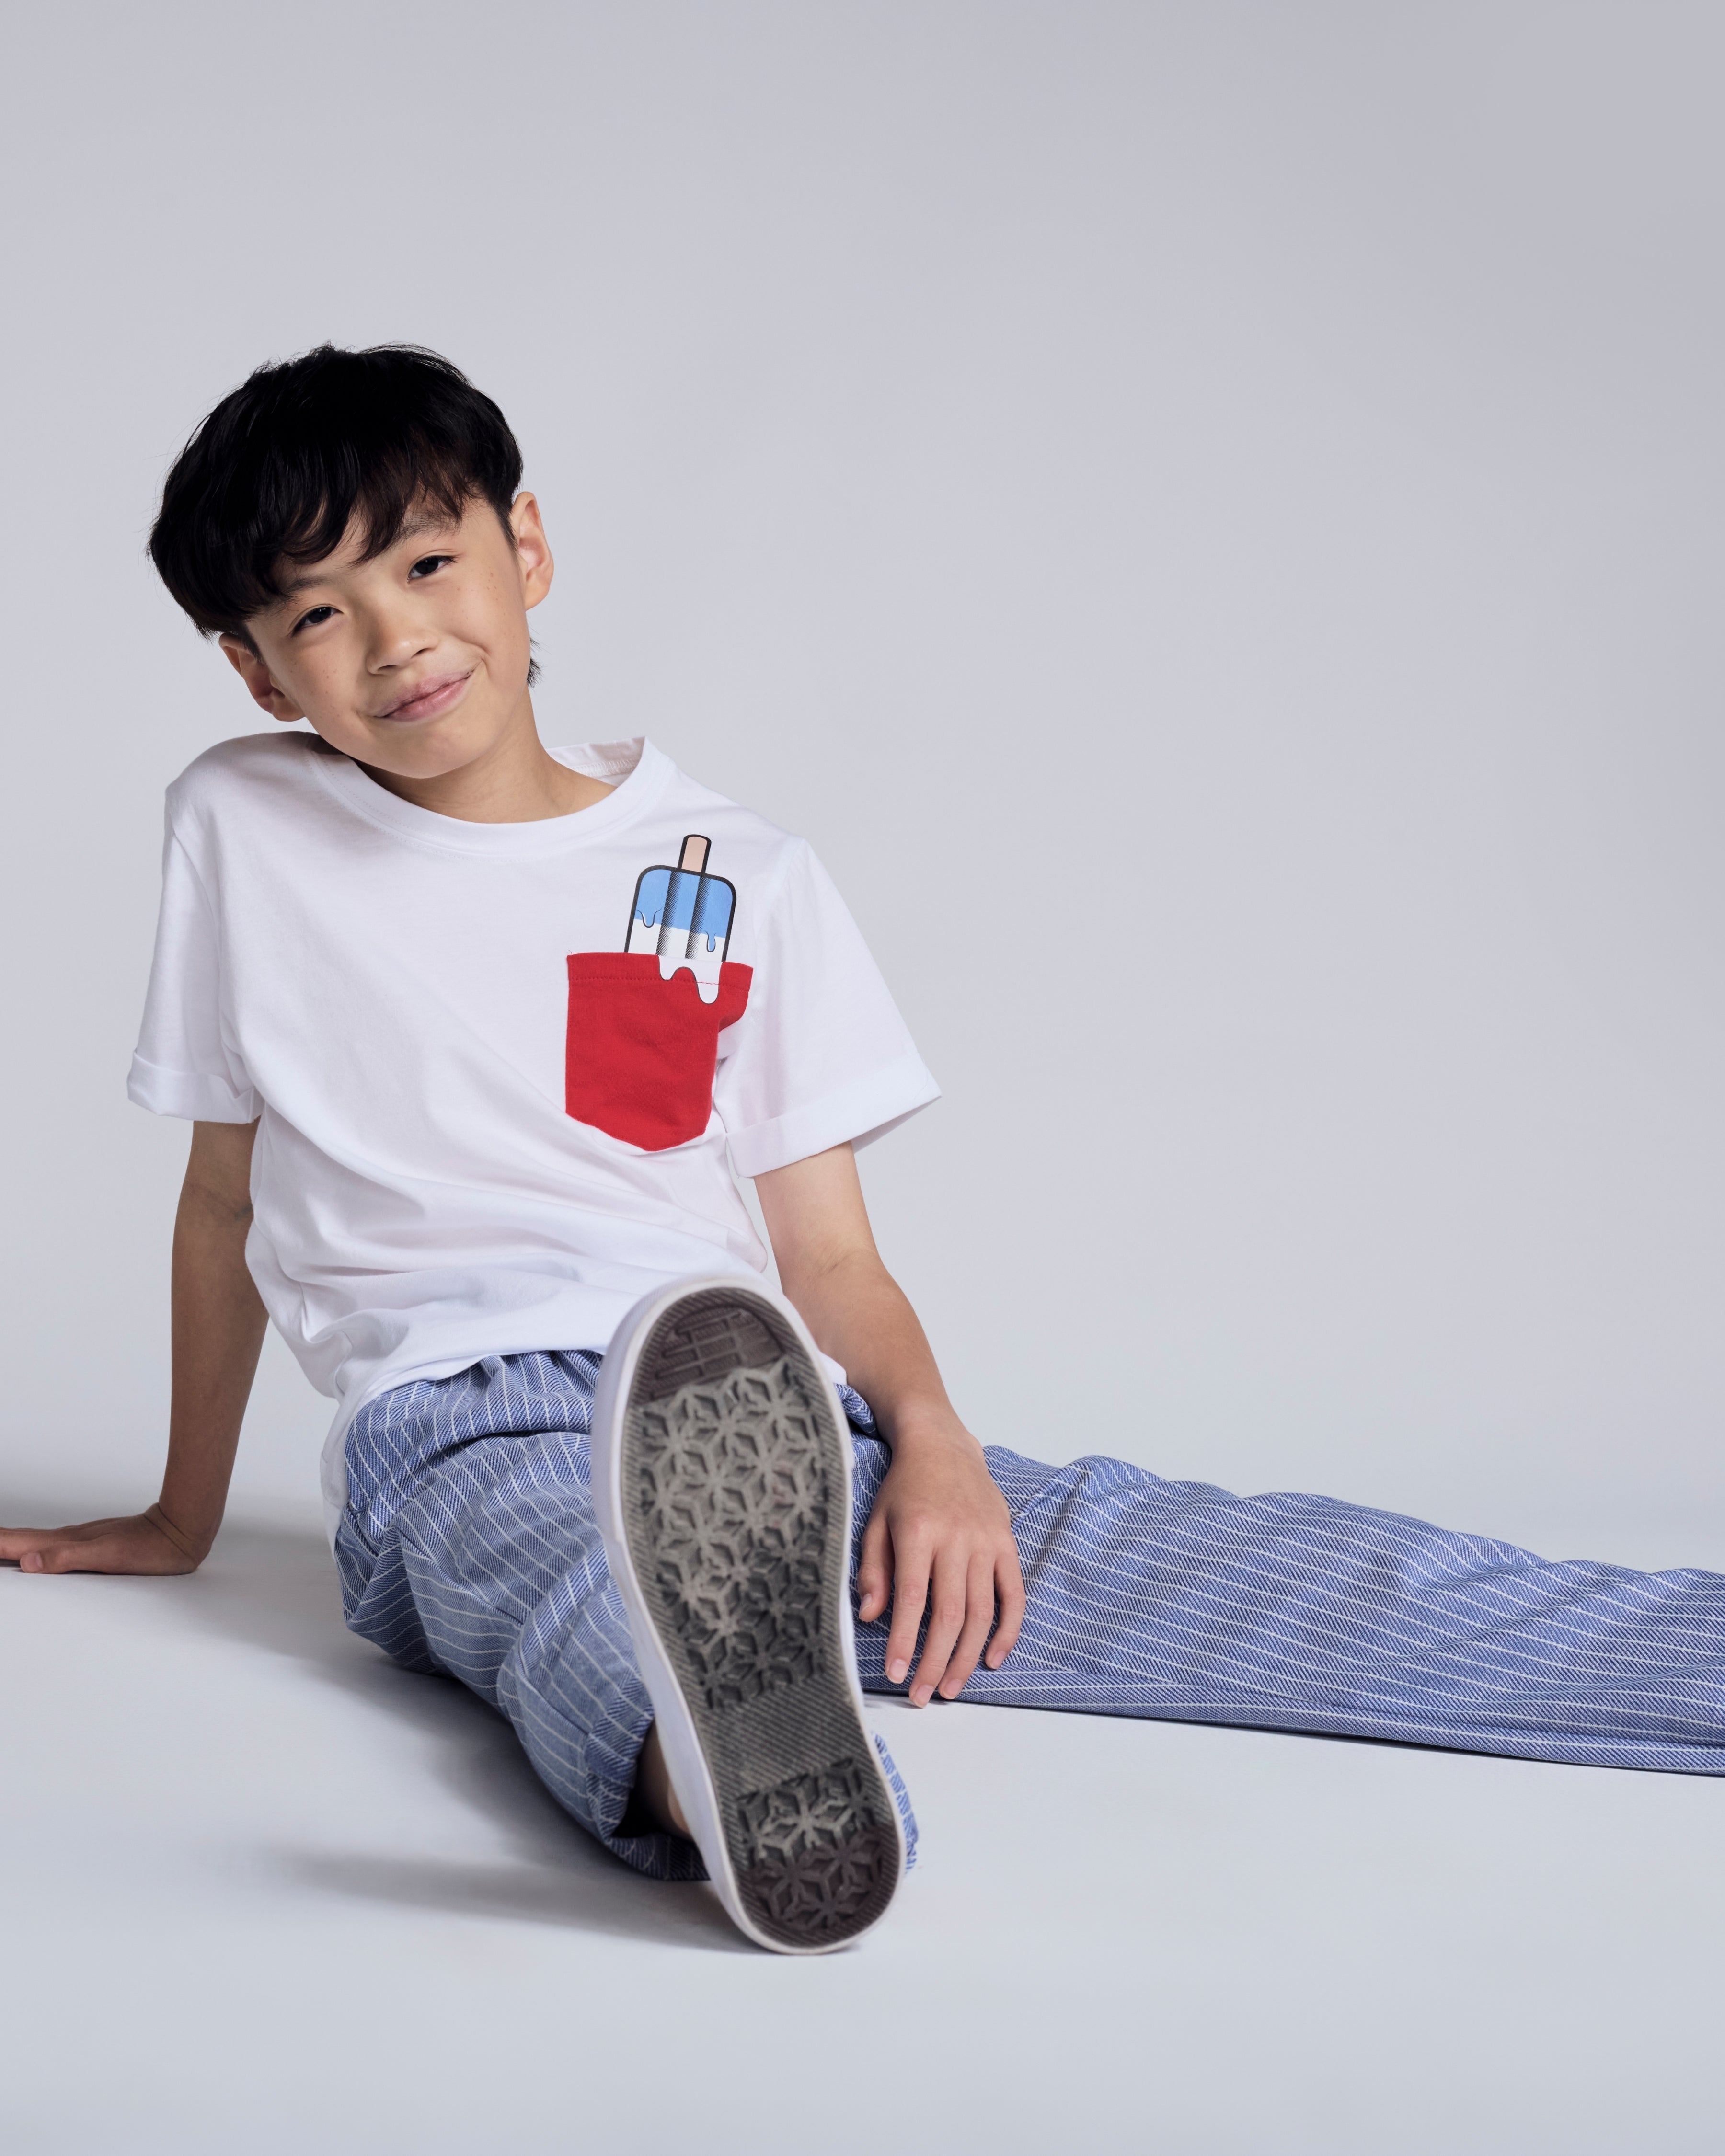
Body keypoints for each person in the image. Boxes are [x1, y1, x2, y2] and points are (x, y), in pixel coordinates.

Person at [4, 346, 1722, 1950]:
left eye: (427, 564)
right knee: (577, 1597)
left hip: (754, 1408)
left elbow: (825, 1255)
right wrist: (182, 1508)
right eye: (319, 611)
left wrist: (941, 1449)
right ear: (253, 667)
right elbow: (225, 1194)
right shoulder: (246, 820)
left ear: (525, 549)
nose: (392, 640)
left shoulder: (725, 867)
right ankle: (751, 1780)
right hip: (461, 1424)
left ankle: (1684, 1663)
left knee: (1218, 1569)